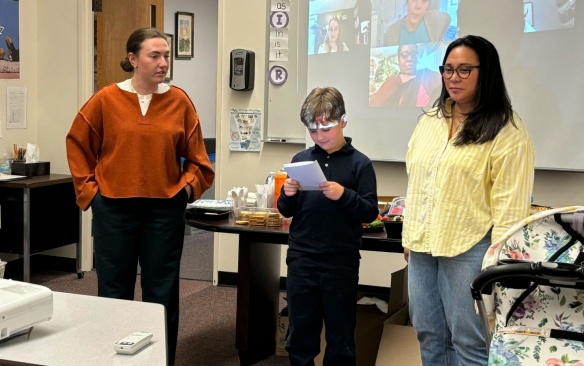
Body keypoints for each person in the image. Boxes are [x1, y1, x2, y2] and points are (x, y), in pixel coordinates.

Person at [65, 27, 214, 366]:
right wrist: (91, 193)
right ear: (133, 59)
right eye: (155, 55)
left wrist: (185, 191)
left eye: (166, 55)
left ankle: (160, 361)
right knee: (113, 293)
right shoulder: (105, 100)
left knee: (161, 294)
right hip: (114, 210)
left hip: (163, 213)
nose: (163, 63)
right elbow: (77, 144)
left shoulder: (179, 101)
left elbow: (199, 161)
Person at [402, 35, 535, 365]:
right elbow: (417, 179)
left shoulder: (507, 130)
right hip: (422, 245)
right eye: (447, 69)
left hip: (471, 248)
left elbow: (511, 206)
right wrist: (410, 232)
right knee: (428, 332)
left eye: (464, 69)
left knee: (468, 340)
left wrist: (496, 263)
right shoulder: (430, 121)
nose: (453, 77)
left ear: (485, 72)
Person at [277, 87, 379, 365]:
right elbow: (286, 210)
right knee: (299, 334)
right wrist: (287, 195)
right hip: (302, 258)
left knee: (341, 336)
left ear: (343, 120)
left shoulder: (361, 164)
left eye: (326, 128)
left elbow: (370, 211)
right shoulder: (301, 161)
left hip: (340, 260)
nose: (320, 136)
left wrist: (344, 195)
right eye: (313, 130)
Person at [369, 43, 441, 107]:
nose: (409, 59)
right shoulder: (392, 82)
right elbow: (373, 105)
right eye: (404, 55)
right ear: (398, 59)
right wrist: (397, 80)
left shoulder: (426, 75)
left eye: (413, 54)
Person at [383, 0, 450, 46]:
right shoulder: (391, 32)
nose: (418, 6)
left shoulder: (434, 18)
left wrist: (440, 40)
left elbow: (447, 18)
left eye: (424, 1)